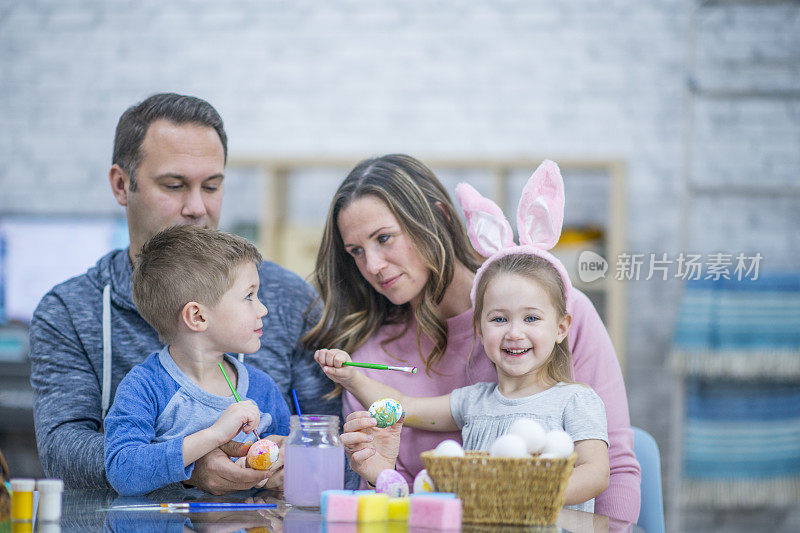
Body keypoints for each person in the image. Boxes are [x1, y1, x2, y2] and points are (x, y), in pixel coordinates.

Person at [29, 93, 337, 494]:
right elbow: (62, 451)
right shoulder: (68, 311)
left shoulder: (289, 298)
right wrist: (190, 466)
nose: (197, 207)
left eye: (212, 186)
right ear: (122, 185)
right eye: (174, 185)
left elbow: (324, 432)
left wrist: (294, 457)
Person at [303, 155, 640, 521]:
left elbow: (613, 468)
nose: (373, 266)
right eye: (356, 252)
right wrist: (377, 474)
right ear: (480, 330)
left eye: (384, 238)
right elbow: (398, 504)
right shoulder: (366, 362)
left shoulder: (559, 314)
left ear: (440, 217)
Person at [105, 225, 291, 495]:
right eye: (249, 296)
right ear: (198, 317)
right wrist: (215, 435)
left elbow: (287, 476)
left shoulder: (263, 389)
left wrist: (285, 465)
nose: (263, 308)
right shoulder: (145, 386)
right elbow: (123, 471)